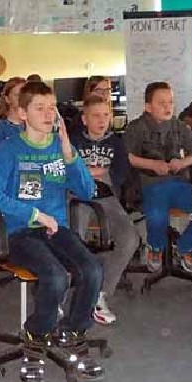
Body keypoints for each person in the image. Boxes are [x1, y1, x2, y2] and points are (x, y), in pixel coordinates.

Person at [0, 81, 104, 382]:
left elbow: (88, 191)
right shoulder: (11, 149)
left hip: (56, 229)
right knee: (56, 276)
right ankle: (35, 338)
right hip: (22, 231)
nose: (49, 114)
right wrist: (34, 214)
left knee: (92, 270)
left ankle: (72, 333)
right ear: (23, 113)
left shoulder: (61, 147)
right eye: (40, 108)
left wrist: (69, 152)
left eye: (52, 108)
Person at [123, 81, 192, 274]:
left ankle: (184, 246)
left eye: (170, 102)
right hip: (150, 184)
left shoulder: (179, 126)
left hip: (178, 182)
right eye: (162, 103)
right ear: (148, 106)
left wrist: (183, 162)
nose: (168, 107)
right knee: (157, 214)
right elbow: (126, 156)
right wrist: (152, 164)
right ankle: (156, 248)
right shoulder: (135, 128)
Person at [70, 94, 140, 325]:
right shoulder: (73, 140)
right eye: (96, 116)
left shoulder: (116, 143)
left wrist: (95, 172)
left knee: (130, 238)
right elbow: (67, 169)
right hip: (77, 195)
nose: (102, 120)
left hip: (106, 197)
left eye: (105, 115)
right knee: (74, 236)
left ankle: (100, 293)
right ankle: (65, 292)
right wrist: (91, 172)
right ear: (84, 119)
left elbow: (120, 173)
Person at [0, 76, 26, 160]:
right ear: (7, 99)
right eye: (17, 95)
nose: (22, 98)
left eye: (25, 95)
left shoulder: (35, 124)